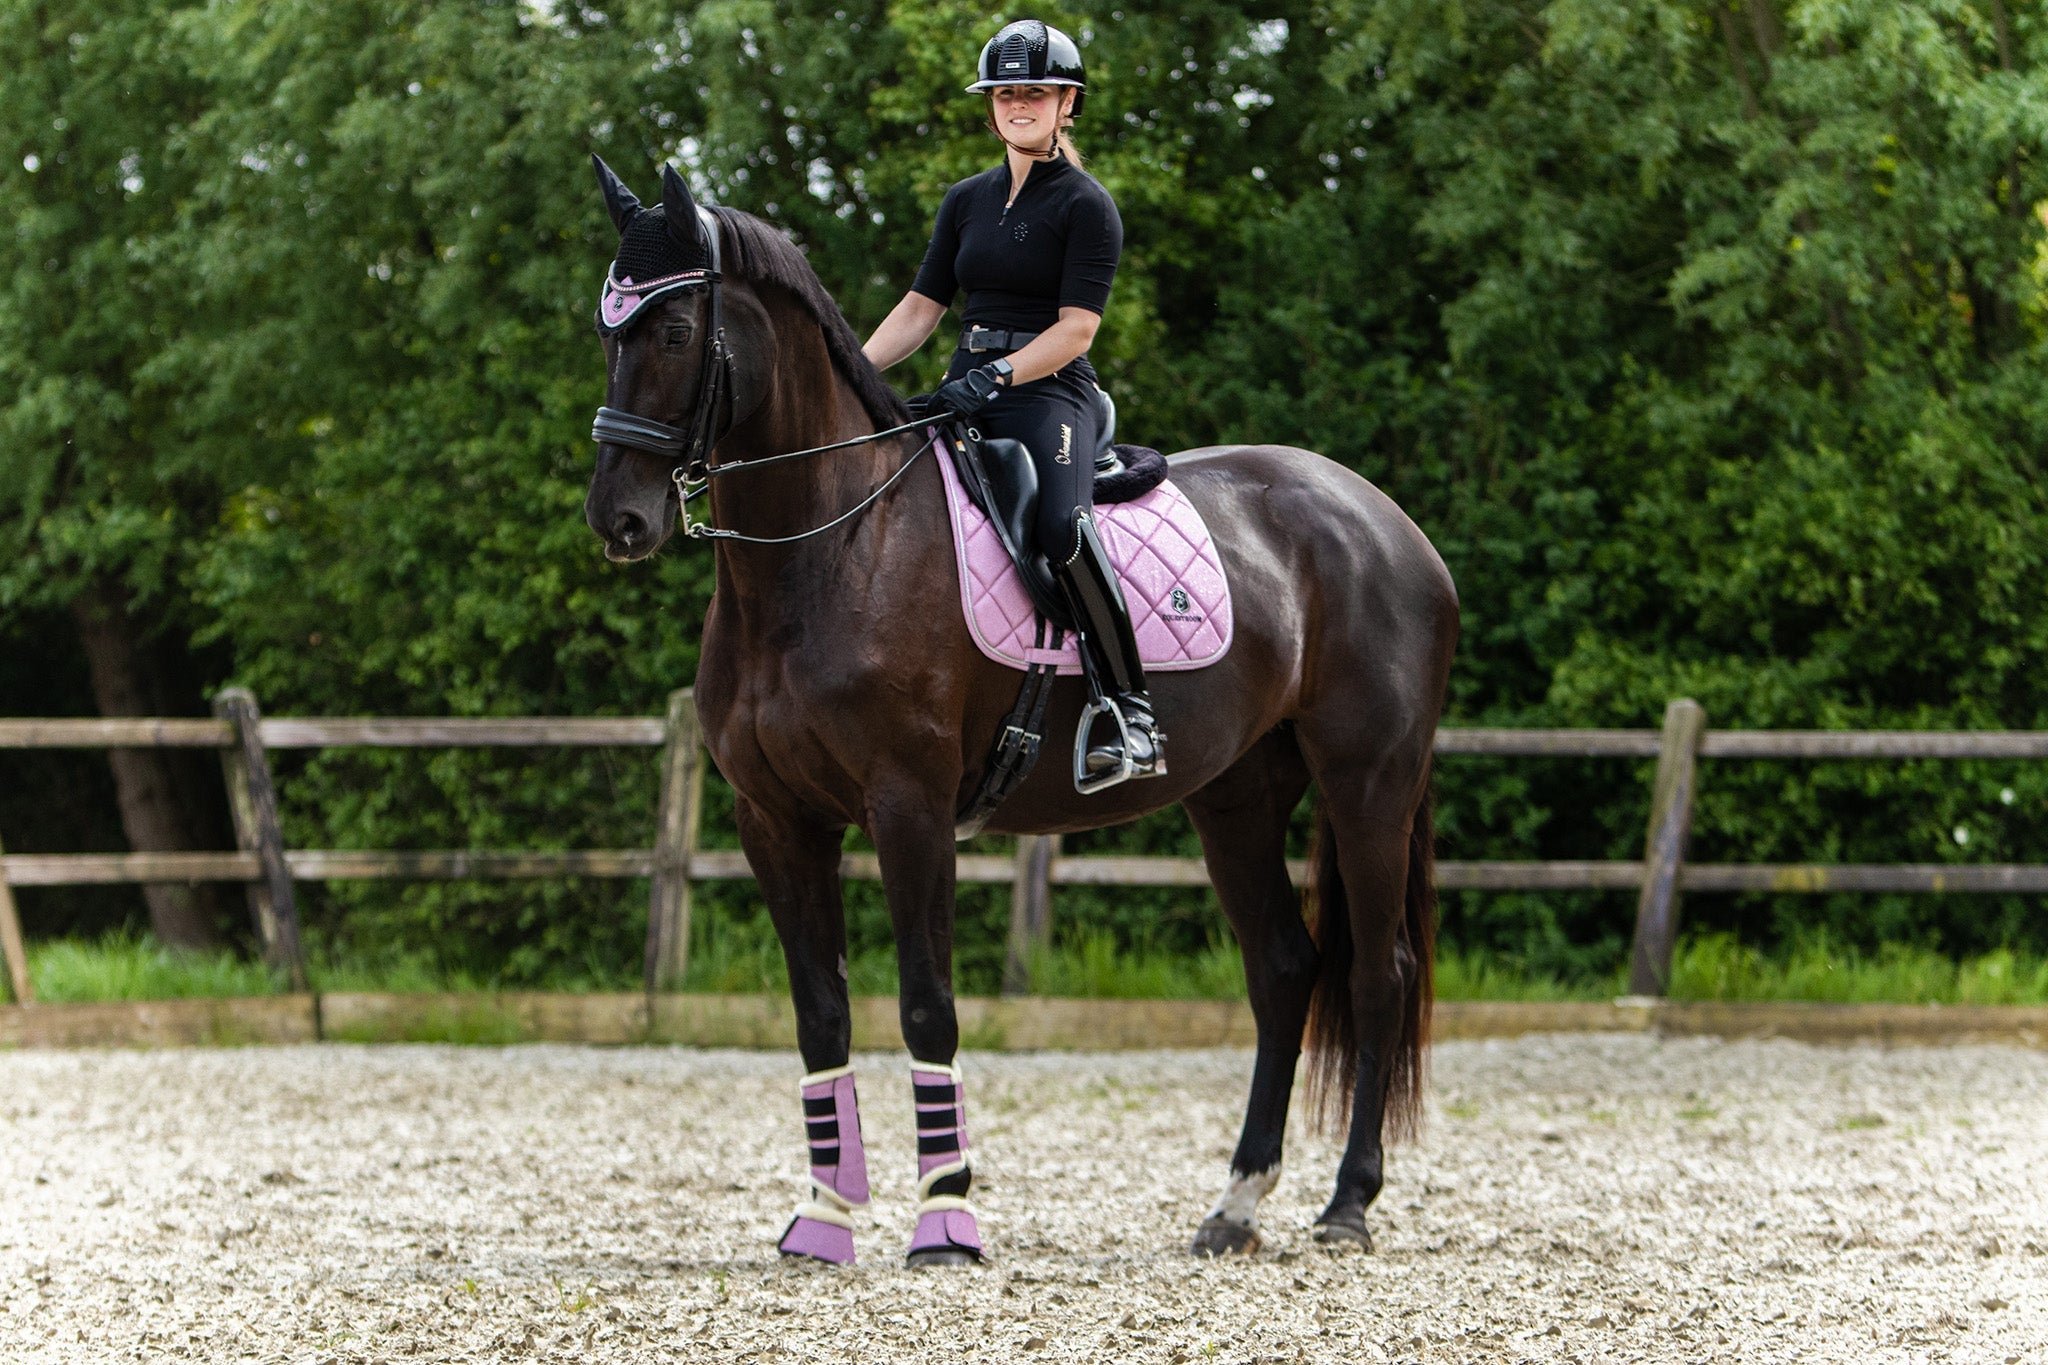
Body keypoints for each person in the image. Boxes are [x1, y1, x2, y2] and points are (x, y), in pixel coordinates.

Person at [863, 18, 1165, 784]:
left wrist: (999, 377)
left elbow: (1077, 330)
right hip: (965, 387)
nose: (1018, 103)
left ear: (1068, 103)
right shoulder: (966, 201)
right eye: (1005, 92)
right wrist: (854, 373)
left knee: (1062, 526)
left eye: (1035, 91)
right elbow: (921, 309)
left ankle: (1129, 712)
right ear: (991, 106)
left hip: (1049, 395)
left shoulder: (1086, 206)